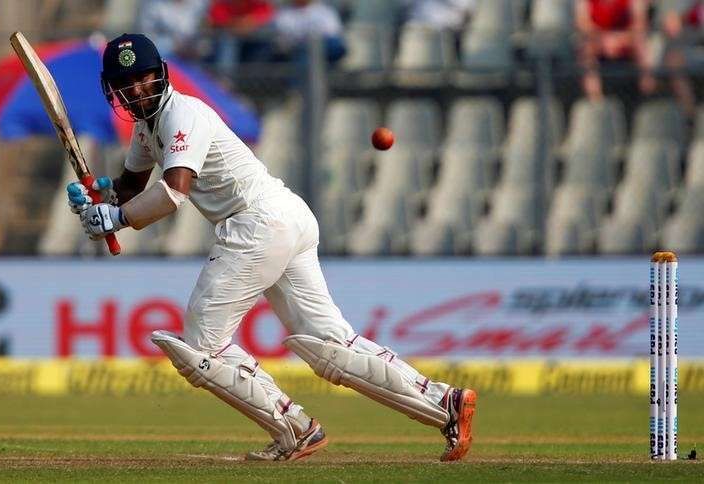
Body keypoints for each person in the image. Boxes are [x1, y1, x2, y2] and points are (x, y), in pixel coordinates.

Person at [66, 33, 475, 462]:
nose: (135, 90)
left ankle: (295, 428)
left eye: (142, 78)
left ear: (159, 74)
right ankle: (445, 403)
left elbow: (172, 193)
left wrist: (115, 219)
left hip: (257, 221)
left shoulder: (182, 114)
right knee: (330, 344)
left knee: (201, 345)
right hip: (283, 216)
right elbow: (132, 187)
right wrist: (100, 197)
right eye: (124, 83)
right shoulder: (148, 129)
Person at [576, 0, 653, 100]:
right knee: (586, 48)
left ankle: (647, 93)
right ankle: (595, 98)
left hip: (626, 39)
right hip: (598, 40)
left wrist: (620, 39)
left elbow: (640, 22)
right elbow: (583, 23)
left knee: (641, 44)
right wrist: (603, 39)